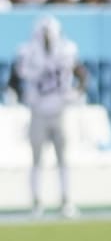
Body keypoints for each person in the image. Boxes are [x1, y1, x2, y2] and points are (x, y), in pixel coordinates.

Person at [8, 16, 88, 218]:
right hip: (38, 111)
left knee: (63, 159)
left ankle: (66, 201)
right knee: (37, 160)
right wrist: (18, 95)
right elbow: (14, 77)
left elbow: (81, 72)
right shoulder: (28, 52)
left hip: (60, 110)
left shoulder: (66, 50)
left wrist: (78, 92)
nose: (47, 39)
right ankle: (36, 202)